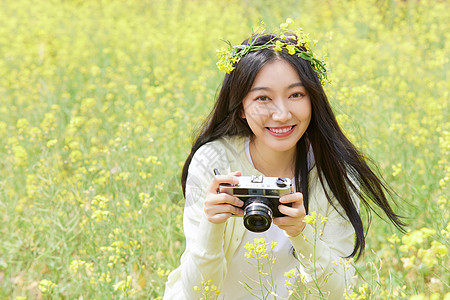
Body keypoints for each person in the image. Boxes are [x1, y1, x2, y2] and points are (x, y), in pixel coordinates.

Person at [163, 23, 405, 299]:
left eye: (296, 95)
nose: (281, 114)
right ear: (241, 107)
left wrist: (302, 234)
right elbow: (196, 295)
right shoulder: (215, 162)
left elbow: (338, 292)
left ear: (313, 100)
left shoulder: (335, 173)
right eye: (263, 98)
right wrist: (211, 226)